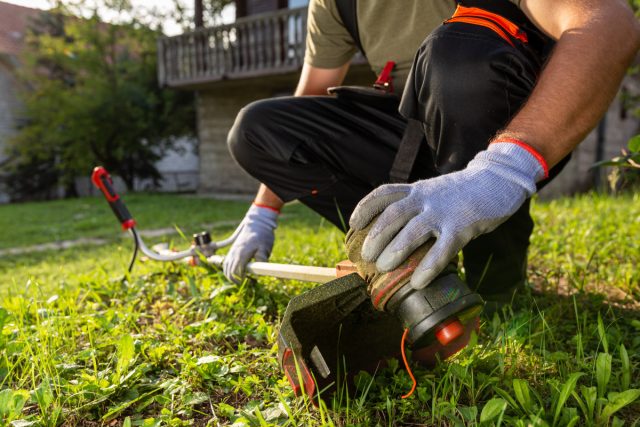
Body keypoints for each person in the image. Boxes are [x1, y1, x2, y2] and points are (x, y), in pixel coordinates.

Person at [222, 0, 639, 301]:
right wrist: (264, 212)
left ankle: (495, 275)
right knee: (257, 129)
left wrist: (502, 171)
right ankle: (402, 252)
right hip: (405, 133)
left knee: (457, 51)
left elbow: (609, 24)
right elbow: (309, 97)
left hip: (498, 133)